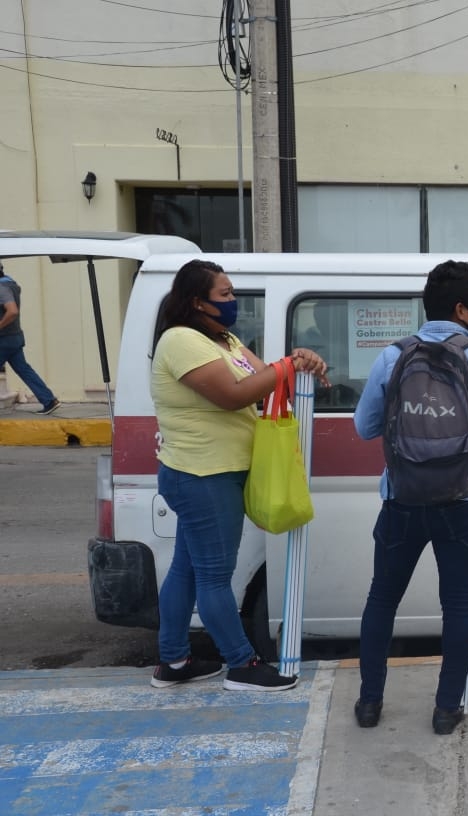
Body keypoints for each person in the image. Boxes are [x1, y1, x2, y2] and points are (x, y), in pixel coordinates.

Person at [352, 260, 468, 735]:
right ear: (461, 310)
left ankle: (369, 703)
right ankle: (446, 709)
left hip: (401, 501)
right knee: (457, 606)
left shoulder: (392, 357)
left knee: (381, 601)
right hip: (461, 502)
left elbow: (365, 427)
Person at [149, 259, 329, 692]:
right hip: (202, 475)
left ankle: (173, 661)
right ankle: (242, 665)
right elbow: (233, 396)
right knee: (213, 576)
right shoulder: (181, 341)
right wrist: (286, 366)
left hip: (215, 472)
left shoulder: (223, 340)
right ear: (197, 301)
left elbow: (263, 377)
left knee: (188, 570)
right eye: (225, 295)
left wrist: (295, 362)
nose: (233, 301)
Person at [0, 262, 61, 415]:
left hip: (4, 340)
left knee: (24, 370)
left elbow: (12, 311)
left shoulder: (2, 288)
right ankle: (49, 400)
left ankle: (49, 399)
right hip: (15, 337)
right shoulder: (10, 283)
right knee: (24, 370)